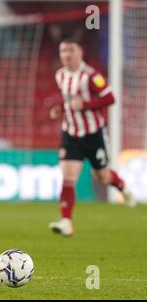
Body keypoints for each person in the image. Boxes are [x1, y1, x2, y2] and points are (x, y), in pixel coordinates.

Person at [48, 38, 136, 237]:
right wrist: (60, 109)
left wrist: (85, 105)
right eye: (63, 51)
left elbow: (110, 97)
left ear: (80, 53)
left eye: (70, 50)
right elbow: (69, 100)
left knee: (102, 177)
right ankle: (66, 222)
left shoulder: (91, 76)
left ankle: (122, 187)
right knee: (69, 177)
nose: (66, 54)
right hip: (71, 133)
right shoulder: (60, 75)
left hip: (94, 133)